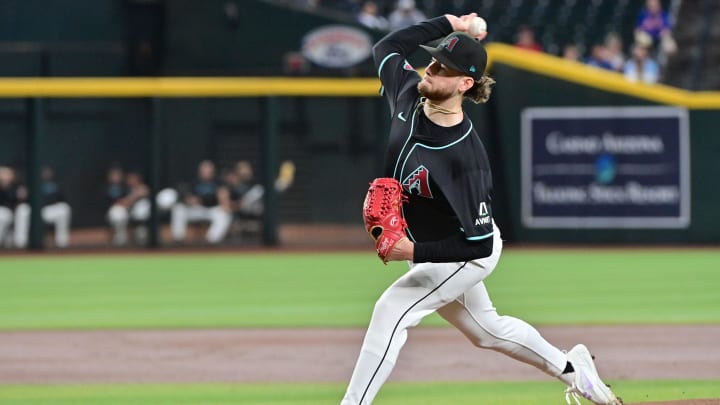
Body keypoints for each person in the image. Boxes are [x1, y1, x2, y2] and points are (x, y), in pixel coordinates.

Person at [340, 14, 622, 405]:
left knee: (391, 310)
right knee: (487, 331)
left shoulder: (464, 159)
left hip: (464, 253)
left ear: (465, 83)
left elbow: (477, 244)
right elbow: (385, 48)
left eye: (443, 67)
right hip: (432, 245)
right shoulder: (406, 92)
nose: (432, 69)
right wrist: (449, 23)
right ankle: (573, 368)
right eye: (434, 60)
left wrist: (414, 253)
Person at [170, 160, 232, 244]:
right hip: (196, 209)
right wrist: (190, 200)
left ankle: (210, 241)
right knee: (178, 209)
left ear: (212, 171)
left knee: (224, 214)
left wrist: (224, 204)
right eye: (203, 170)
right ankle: (178, 239)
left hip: (211, 209)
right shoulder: (194, 182)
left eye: (207, 170)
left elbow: (223, 197)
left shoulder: (218, 182)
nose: (205, 172)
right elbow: (186, 196)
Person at [14, 165, 72, 248]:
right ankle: (20, 244)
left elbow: (62, 199)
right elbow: (19, 198)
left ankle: (62, 244)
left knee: (64, 208)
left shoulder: (54, 186)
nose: (45, 174)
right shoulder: (29, 184)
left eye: (47, 171)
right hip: (32, 210)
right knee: (21, 209)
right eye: (43, 171)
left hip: (49, 211)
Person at [106, 168, 151, 246]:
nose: (132, 180)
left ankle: (141, 236)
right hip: (125, 213)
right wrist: (134, 197)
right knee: (117, 213)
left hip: (139, 219)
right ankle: (120, 240)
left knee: (142, 207)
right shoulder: (122, 188)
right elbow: (118, 203)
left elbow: (146, 196)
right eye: (130, 178)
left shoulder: (143, 188)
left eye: (134, 178)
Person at [0, 166, 21, 247]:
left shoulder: (15, 186)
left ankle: (20, 244)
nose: (5, 176)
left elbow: (13, 199)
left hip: (9, 212)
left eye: (7, 174)